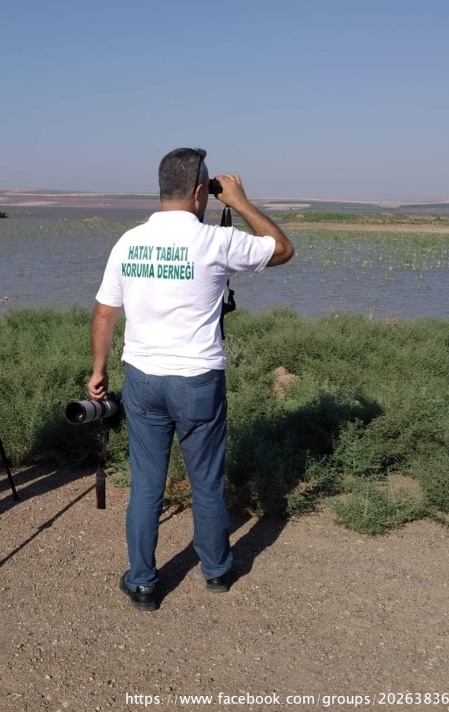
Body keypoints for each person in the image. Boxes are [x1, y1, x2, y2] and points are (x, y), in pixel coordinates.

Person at [88, 148, 295, 610]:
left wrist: (98, 371)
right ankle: (217, 571)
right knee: (205, 480)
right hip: (197, 380)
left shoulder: (129, 241)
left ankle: (142, 582)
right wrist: (240, 201)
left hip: (142, 379)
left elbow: (104, 311)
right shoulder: (214, 242)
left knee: (146, 484)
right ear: (201, 191)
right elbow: (282, 249)